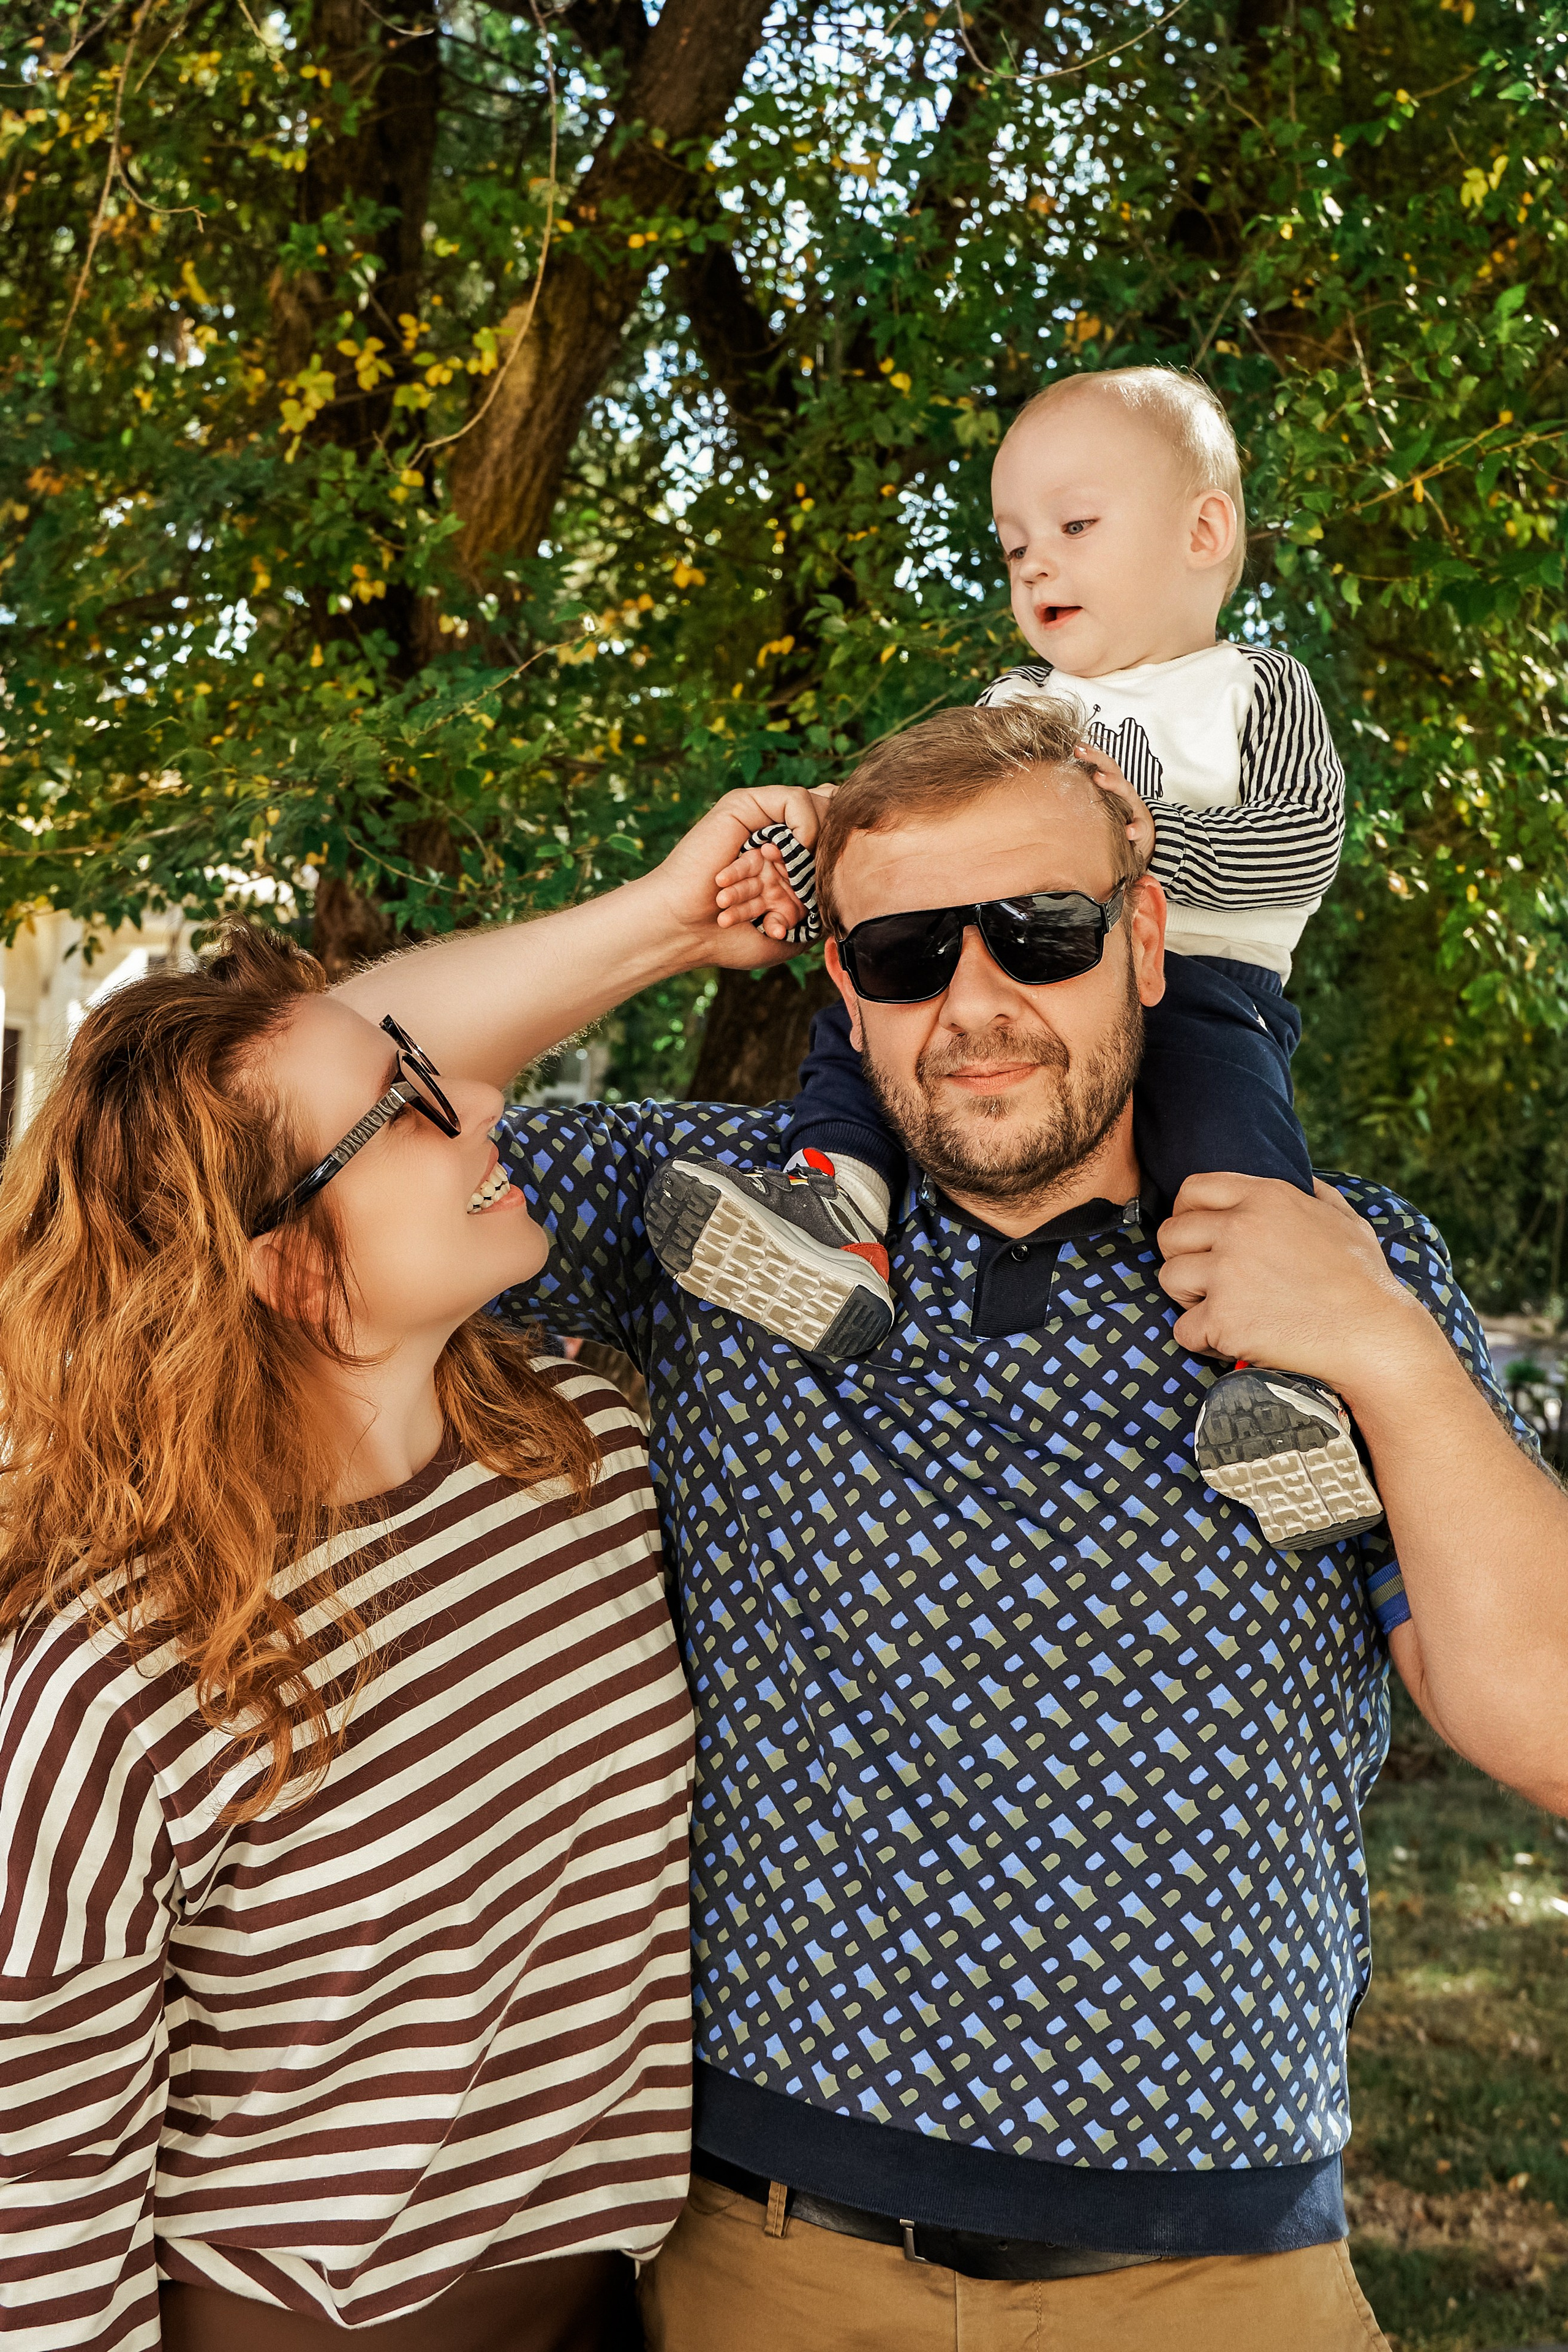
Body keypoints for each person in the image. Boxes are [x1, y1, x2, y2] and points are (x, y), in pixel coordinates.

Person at [324, 712, 1568, 2351]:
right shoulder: (711, 1220)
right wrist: (663, 918)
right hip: (769, 2264)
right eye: (907, 955)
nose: (974, 1006)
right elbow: (279, 1116)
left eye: (1039, 936)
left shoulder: (1336, 1267)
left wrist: (1388, 1348)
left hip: (1222, 2284)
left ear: (1142, 940)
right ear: (842, 990)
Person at [0, 922, 694, 2352]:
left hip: (614, 2308)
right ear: (288, 1272)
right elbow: (39, 2192)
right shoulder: (106, 1681)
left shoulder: (593, 1461)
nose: (490, 1103)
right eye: (408, 1108)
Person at [647, 366, 1371, 1552]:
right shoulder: (1015, 706)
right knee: (877, 1003)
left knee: (1229, 1162)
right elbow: (919, 845)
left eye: (1073, 528)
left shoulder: (1253, 689)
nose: (1035, 564)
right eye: (1011, 545)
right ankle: (831, 1216)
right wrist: (811, 839)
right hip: (1015, 968)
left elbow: (1288, 853)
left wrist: (1120, 834)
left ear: (1203, 529)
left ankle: (1285, 1389)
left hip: (1200, 981)